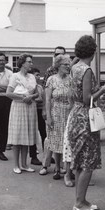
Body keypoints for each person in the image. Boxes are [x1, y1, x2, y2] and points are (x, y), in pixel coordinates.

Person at [67, 35, 105, 210]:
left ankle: (81, 199)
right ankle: (79, 204)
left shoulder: (73, 68)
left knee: (79, 161)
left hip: (75, 116)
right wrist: (104, 89)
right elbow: (87, 99)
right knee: (87, 162)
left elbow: (76, 96)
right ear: (92, 51)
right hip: (86, 118)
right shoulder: (86, 70)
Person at [6, 54, 39, 174]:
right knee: (18, 136)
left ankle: (25, 164)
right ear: (22, 63)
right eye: (29, 62)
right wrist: (22, 97)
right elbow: (8, 93)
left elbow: (37, 94)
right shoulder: (15, 76)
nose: (31, 64)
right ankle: (16, 165)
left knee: (27, 136)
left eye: (31, 62)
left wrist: (31, 96)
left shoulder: (32, 77)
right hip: (18, 107)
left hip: (30, 107)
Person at [43, 54, 72, 181]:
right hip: (55, 113)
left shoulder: (70, 79)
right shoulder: (51, 79)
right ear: (58, 66)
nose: (68, 66)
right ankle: (57, 168)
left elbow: (73, 98)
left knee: (67, 142)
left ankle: (67, 170)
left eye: (68, 64)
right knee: (55, 141)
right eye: (65, 64)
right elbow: (48, 100)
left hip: (68, 113)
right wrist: (48, 117)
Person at [40, 46, 66, 175]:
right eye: (56, 54)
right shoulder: (50, 72)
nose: (58, 55)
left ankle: (60, 167)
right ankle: (45, 165)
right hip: (53, 110)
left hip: (65, 112)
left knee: (62, 140)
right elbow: (47, 95)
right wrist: (46, 111)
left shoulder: (69, 74)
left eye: (61, 54)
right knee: (50, 140)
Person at [28, 68, 44, 165]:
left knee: (44, 133)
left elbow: (43, 98)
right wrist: (38, 99)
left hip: (41, 111)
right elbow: (34, 99)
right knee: (33, 134)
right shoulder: (30, 87)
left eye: (38, 75)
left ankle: (47, 155)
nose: (38, 77)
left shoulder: (40, 87)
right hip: (33, 111)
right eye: (36, 75)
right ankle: (33, 156)